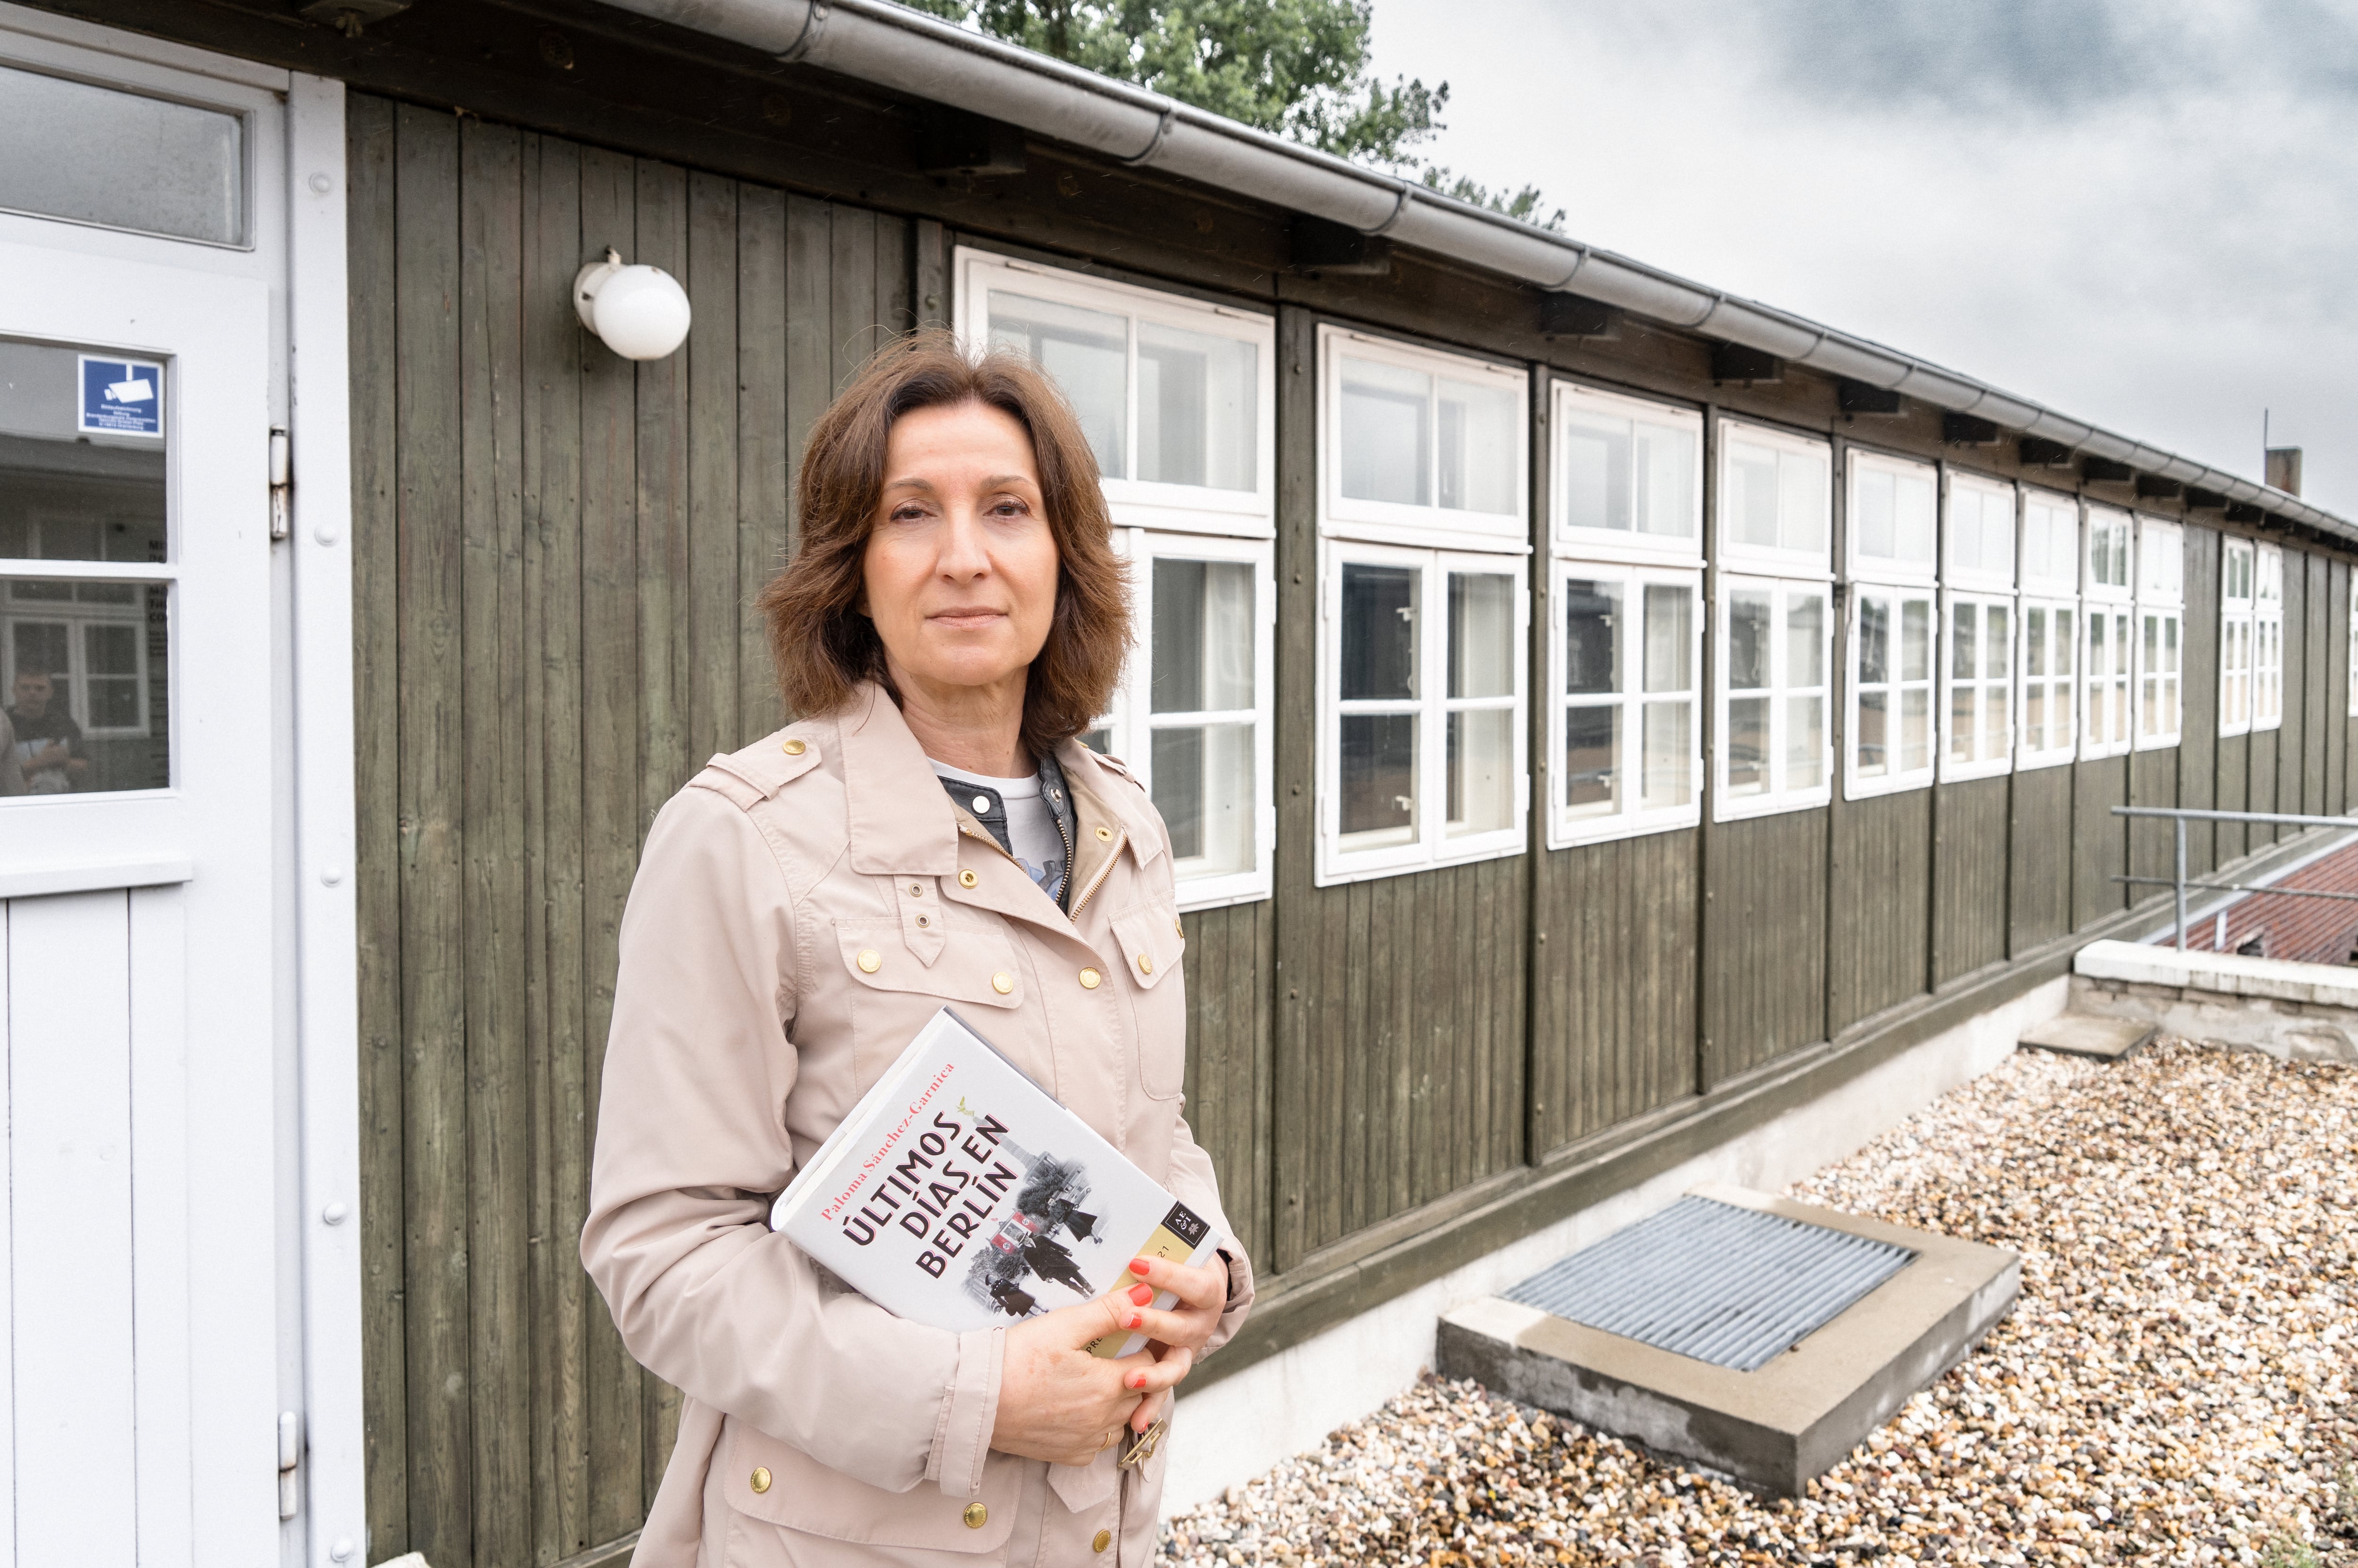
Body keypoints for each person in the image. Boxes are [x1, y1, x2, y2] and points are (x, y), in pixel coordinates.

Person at [581, 331, 1253, 1568]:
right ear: (853, 568)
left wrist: (1199, 1257)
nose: (964, 556)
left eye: (1008, 508)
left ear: (1063, 554)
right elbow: (661, 1251)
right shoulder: (742, 838)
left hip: (1104, 1519)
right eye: (909, 513)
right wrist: (979, 1395)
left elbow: (1146, 1130)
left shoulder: (1124, 822)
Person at [8, 671, 86, 792]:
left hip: (60, 802)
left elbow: (84, 765)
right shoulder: (4, 725)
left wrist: (64, 762)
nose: (32, 693)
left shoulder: (63, 722)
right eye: (25, 688)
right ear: (14, 691)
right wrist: (40, 762)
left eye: (40, 688)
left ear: (50, 692)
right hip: (17, 804)